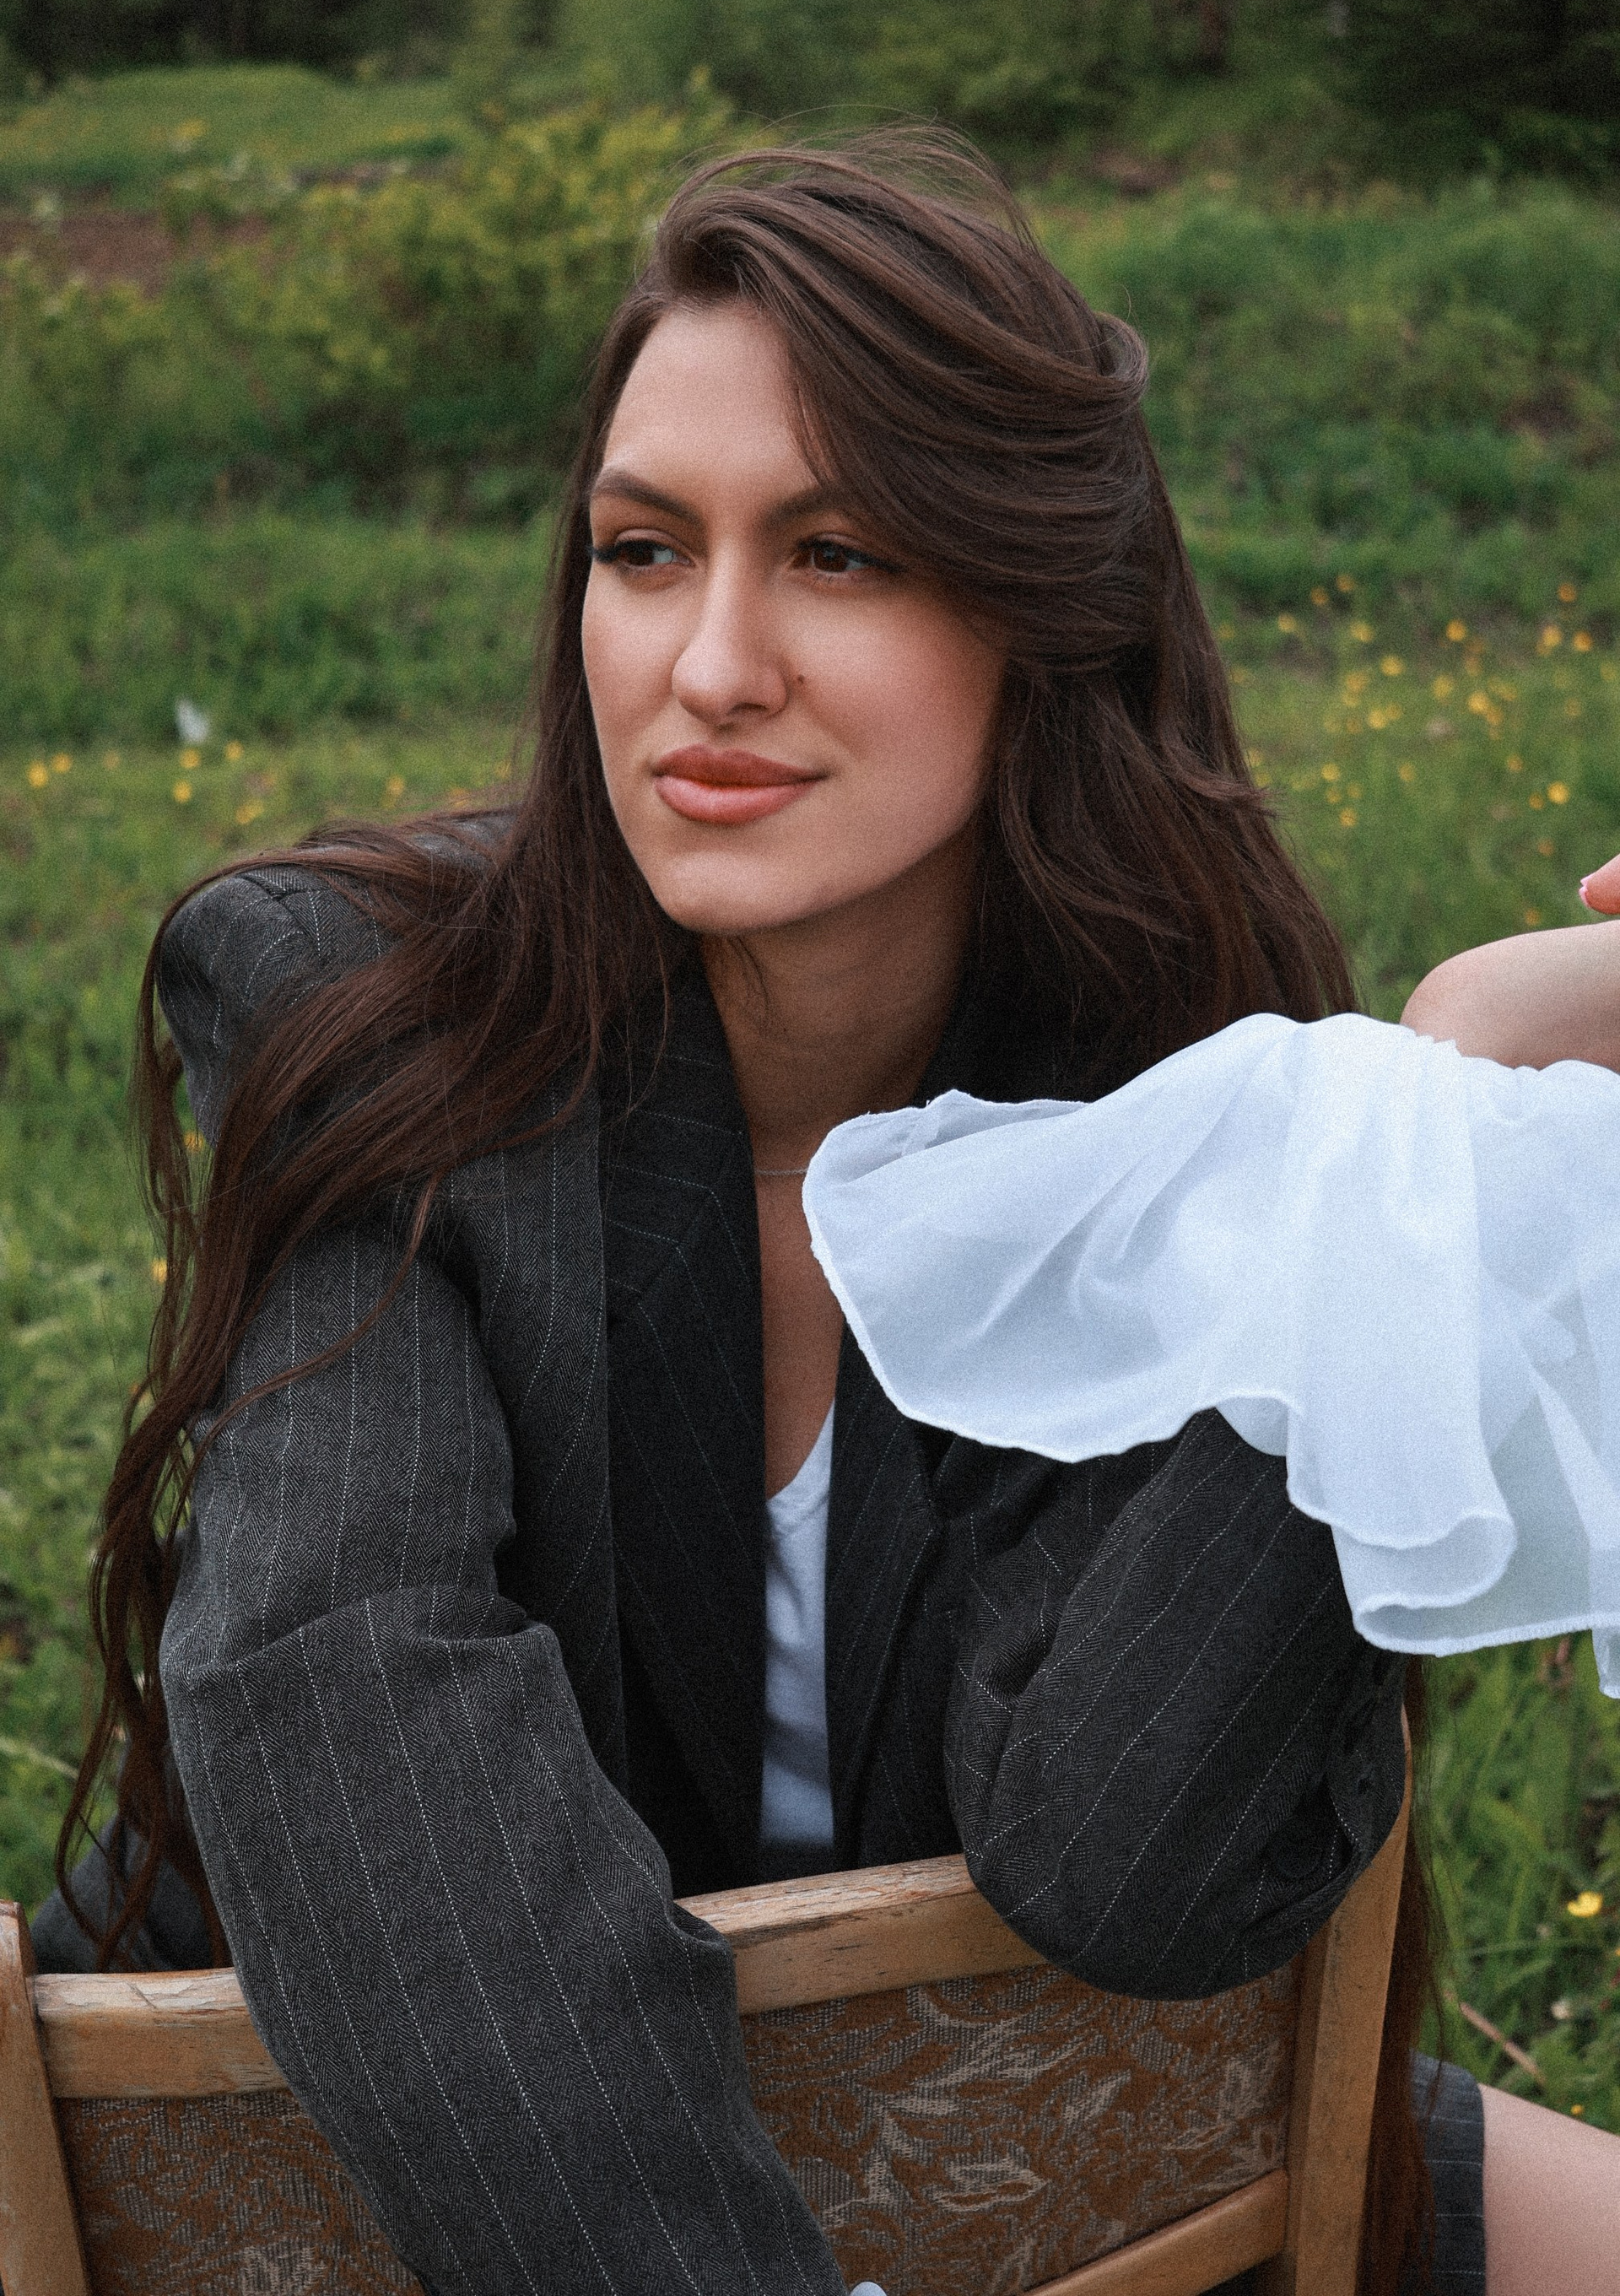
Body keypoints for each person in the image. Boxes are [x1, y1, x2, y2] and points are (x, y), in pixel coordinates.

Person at [37, 138, 1620, 2296]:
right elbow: (345, 1703)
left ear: (1040, 617)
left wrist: (1442, 1099)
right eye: (642, 551)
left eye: (839, 553)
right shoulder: (366, 1011)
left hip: (1011, 2118)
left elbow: (1133, 1862)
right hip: (374, 2143)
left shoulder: (1178, 1091)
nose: (708, 665)